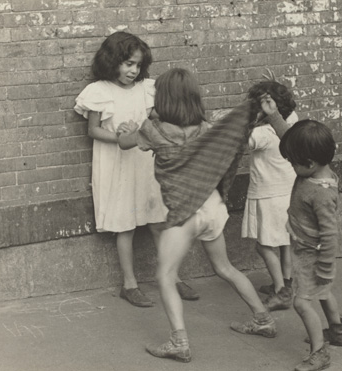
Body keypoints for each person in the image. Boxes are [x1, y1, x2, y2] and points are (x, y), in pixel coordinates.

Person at [117, 68, 277, 363]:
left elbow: (125, 143)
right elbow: (230, 133)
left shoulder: (154, 130)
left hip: (185, 214)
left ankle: (179, 342)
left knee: (165, 276)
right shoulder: (206, 129)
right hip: (212, 207)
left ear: (163, 98)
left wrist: (124, 130)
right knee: (225, 267)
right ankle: (262, 318)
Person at [74, 32, 198, 308]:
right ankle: (129, 284)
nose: (133, 70)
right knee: (125, 225)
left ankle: (172, 276)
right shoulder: (100, 91)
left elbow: (156, 119)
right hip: (118, 163)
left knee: (158, 221)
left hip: (145, 160)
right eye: (128, 64)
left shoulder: (147, 88)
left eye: (138, 65)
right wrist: (120, 137)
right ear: (112, 61)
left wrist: (151, 131)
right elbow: (93, 130)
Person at [278, 119, 342, 371]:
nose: (291, 165)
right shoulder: (314, 166)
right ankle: (337, 332)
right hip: (308, 249)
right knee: (324, 292)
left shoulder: (322, 193)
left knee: (302, 302)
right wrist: (275, 115)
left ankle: (319, 353)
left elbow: (330, 234)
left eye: (293, 163)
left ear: (309, 163)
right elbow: (291, 140)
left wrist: (325, 267)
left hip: (313, 254)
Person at [242, 80, 298, 311]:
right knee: (285, 243)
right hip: (288, 193)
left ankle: (280, 291)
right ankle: (287, 282)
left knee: (264, 246)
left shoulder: (262, 134)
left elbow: (241, 140)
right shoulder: (293, 121)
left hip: (268, 196)